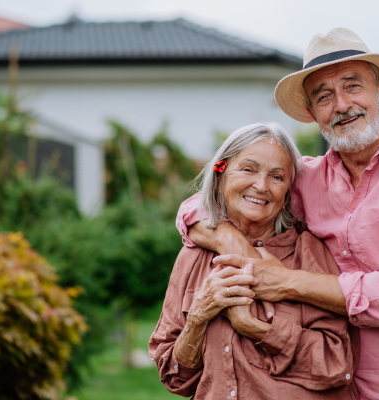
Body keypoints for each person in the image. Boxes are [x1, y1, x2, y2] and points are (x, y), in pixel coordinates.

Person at [176, 28, 379, 399]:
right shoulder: (305, 179)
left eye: (353, 86)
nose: (341, 105)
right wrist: (229, 239)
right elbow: (211, 201)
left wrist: (285, 281)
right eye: (324, 96)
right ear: (312, 113)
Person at [149, 122, 360, 400]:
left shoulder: (308, 251)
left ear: (288, 191)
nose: (260, 186)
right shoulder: (194, 255)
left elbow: (336, 364)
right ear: (221, 172)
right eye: (248, 169)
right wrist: (199, 317)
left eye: (276, 177)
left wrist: (254, 327)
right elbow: (175, 378)